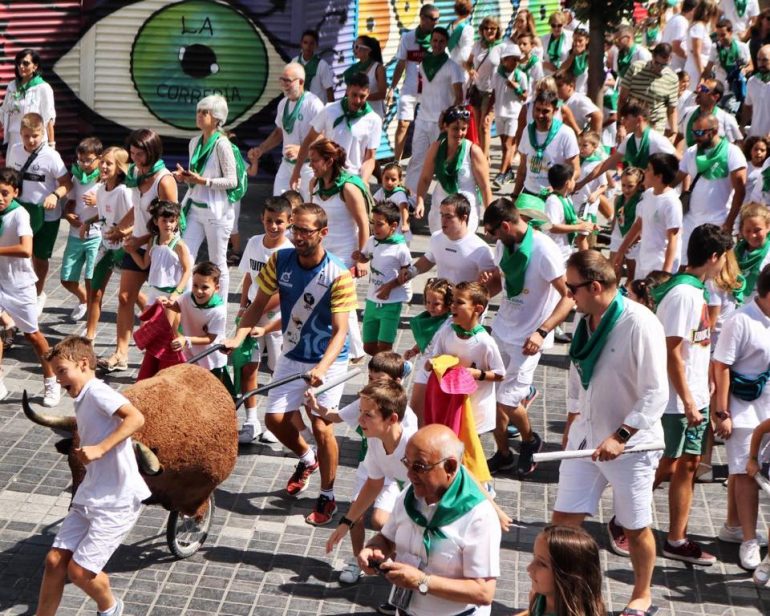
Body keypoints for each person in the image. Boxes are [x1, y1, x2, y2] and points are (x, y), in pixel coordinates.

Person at [223, 203, 356, 526]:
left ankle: (327, 494)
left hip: (328, 361)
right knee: (274, 419)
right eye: (295, 229)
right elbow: (256, 305)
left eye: (305, 230)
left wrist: (323, 369)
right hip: (293, 353)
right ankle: (306, 458)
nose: (297, 236)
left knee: (322, 427)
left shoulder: (339, 275)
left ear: (323, 233)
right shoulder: (279, 260)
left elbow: (340, 332)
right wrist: (238, 337)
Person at [553, 249, 667, 616]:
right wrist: (573, 419)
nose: (568, 296)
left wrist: (621, 435)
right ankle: (575, 598)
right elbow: (577, 371)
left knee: (635, 528)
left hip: (630, 446)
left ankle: (642, 594)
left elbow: (655, 391)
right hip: (585, 441)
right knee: (563, 526)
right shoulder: (585, 319)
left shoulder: (640, 323)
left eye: (572, 289)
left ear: (595, 286)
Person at [34, 336, 151, 616]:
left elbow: (136, 418)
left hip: (117, 501)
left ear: (84, 364)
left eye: (62, 371)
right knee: (54, 561)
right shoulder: (82, 396)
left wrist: (100, 448)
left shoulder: (98, 392)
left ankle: (110, 608)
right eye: (55, 373)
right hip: (92, 493)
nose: (59, 379)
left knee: (79, 572)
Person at [652, 224, 733, 567]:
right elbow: (670, 351)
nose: (724, 266)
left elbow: (694, 345)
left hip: (694, 395)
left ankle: (677, 538)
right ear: (713, 257)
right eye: (723, 258)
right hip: (677, 401)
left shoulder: (696, 290)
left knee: (686, 465)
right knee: (663, 465)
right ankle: (624, 520)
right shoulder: (684, 294)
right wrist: (686, 400)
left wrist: (703, 385)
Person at [357, 424, 500, 616]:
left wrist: (422, 582)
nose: (409, 474)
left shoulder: (479, 516)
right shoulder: (410, 494)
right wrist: (374, 548)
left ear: (449, 466)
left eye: (419, 467)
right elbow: (387, 538)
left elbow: (483, 592)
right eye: (407, 463)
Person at [480, 197, 574, 476]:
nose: (491, 238)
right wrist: (481, 294)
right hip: (502, 329)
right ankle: (504, 453)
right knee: (491, 398)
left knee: (506, 402)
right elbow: (503, 284)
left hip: (528, 339)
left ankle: (530, 440)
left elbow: (569, 297)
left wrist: (542, 331)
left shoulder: (544, 250)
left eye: (493, 232)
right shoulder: (503, 244)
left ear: (506, 226)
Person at [306, 353, 414, 588]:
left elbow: (452, 480)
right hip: (399, 484)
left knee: (389, 525)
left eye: (368, 415)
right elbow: (373, 484)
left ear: (393, 419)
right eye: (361, 413)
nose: (360, 419)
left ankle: (401, 575)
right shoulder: (375, 440)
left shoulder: (414, 445)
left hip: (420, 495)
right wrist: (345, 523)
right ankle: (372, 566)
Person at [98, 129, 176, 373]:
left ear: (151, 152)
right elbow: (137, 207)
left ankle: (171, 354)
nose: (135, 159)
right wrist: (121, 229)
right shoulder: (133, 173)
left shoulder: (165, 179)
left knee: (164, 306)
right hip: (137, 244)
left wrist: (141, 238)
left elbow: (171, 220)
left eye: (139, 154)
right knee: (124, 297)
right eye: (131, 154)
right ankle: (121, 354)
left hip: (161, 248)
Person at [712, 265, 770, 572]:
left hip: (769, 409)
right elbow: (720, 364)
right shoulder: (741, 320)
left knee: (745, 471)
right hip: (744, 408)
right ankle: (749, 539)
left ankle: (733, 526)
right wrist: (723, 412)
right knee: (748, 472)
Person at [0, 167, 59, 406]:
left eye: (4, 193)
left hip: (20, 285)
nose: (0, 198)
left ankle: (51, 382)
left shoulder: (20, 215)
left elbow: (26, 250)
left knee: (33, 336)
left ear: (15, 192)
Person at [236, 196, 293, 444]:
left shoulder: (289, 252)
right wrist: (242, 307)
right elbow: (249, 276)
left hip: (277, 319)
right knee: (249, 366)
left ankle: (275, 419)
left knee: (278, 370)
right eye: (269, 220)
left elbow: (283, 291)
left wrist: (255, 312)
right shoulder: (253, 243)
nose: (273, 226)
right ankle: (251, 420)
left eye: (279, 222)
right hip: (251, 314)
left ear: (289, 222)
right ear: (262, 218)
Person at [308, 138, 371, 362]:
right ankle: (347, 346)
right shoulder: (313, 184)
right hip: (321, 252)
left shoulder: (349, 188)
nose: (310, 165)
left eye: (314, 161)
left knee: (341, 300)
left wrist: (363, 258)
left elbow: (364, 224)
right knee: (332, 301)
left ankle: (354, 351)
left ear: (329, 160)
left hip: (346, 254)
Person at [175, 94, 238, 308]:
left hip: (217, 212)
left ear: (217, 118)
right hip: (194, 208)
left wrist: (204, 181)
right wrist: (186, 178)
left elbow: (232, 180)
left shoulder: (222, 144)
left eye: (205, 113)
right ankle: (183, 306)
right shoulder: (194, 142)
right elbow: (196, 179)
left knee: (218, 261)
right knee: (184, 257)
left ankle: (219, 308)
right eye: (199, 112)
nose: (200, 116)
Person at [5, 112, 70, 314]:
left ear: (42, 133)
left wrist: (55, 196)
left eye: (35, 135)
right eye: (26, 136)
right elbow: (9, 177)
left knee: (40, 258)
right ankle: (17, 294)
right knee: (19, 255)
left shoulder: (51, 156)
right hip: (19, 212)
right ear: (20, 134)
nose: (31, 140)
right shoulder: (15, 150)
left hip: (46, 216)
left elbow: (67, 183)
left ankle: (36, 295)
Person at [428, 281, 505, 438]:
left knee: (468, 452)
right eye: (453, 301)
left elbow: (500, 374)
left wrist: (478, 374)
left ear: (477, 309)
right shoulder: (447, 332)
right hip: (450, 404)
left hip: (475, 408)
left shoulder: (484, 342)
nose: (453, 306)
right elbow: (436, 356)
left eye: (460, 302)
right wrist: (432, 363)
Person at [247, 63, 324, 201]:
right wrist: (261, 149)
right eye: (281, 80)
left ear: (300, 82)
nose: (283, 85)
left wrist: (301, 149)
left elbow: (324, 137)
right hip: (287, 165)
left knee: (308, 210)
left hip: (308, 167)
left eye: (287, 81)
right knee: (279, 205)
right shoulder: (283, 103)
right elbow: (279, 133)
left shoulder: (313, 103)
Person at [291, 72, 382, 188]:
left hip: (353, 179)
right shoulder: (330, 109)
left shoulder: (374, 120)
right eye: (354, 95)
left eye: (362, 96)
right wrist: (296, 171)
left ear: (368, 93)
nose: (357, 100)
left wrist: (363, 181)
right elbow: (309, 139)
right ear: (348, 90)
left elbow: (370, 158)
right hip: (327, 175)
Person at [674, 114, 746, 255]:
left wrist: (730, 222)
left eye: (699, 132)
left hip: (718, 222)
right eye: (693, 132)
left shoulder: (732, 153)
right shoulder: (691, 152)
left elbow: (740, 190)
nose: (695, 137)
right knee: (685, 265)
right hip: (691, 221)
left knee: (714, 268)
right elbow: (675, 180)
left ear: (714, 131)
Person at [405, 29, 465, 195]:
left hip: (442, 124)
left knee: (443, 162)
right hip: (423, 119)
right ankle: (410, 197)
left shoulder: (453, 67)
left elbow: (459, 96)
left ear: (446, 43)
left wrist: (447, 117)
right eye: (435, 40)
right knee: (417, 159)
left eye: (441, 41)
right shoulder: (424, 64)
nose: (437, 44)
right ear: (431, 42)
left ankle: (448, 197)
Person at [82, 147, 133, 341]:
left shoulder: (124, 192)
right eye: (102, 161)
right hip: (106, 245)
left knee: (130, 295)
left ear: (119, 168)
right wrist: (89, 221)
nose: (103, 166)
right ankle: (89, 335)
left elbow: (136, 219)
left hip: (123, 248)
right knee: (95, 290)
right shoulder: (102, 189)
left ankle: (154, 320)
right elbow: (104, 214)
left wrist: (121, 233)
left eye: (109, 163)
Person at [415, 106, 491, 233]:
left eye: (463, 129)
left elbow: (485, 187)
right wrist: (420, 201)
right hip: (440, 211)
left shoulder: (473, 151)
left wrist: (489, 218)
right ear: (445, 126)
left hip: (465, 212)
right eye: (455, 129)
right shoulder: (436, 148)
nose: (460, 133)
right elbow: (425, 179)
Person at [576, 98, 677, 192]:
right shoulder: (629, 139)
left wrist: (666, 189)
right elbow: (605, 165)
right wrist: (581, 183)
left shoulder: (656, 140)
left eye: (626, 118)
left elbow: (681, 163)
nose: (623, 122)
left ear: (639, 120)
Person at [400, 193, 495, 289]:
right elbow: (429, 259)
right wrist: (411, 272)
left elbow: (493, 285)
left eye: (449, 217)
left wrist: (470, 300)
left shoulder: (482, 250)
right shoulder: (436, 237)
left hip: (467, 303)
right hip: (442, 302)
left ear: (464, 218)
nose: (443, 220)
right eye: (442, 215)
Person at [353, 201, 411, 356]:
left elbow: (407, 275)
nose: (374, 228)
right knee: (369, 347)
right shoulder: (372, 241)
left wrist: (389, 287)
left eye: (379, 224)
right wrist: (360, 257)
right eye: (373, 223)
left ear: (393, 226)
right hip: (372, 300)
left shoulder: (401, 249)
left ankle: (389, 374)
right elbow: (366, 257)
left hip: (391, 304)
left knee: (385, 348)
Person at [125, 199, 191, 333]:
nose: (168, 224)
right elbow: (144, 264)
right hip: (154, 292)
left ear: (176, 221)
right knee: (146, 330)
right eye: (164, 221)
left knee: (170, 333)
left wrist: (176, 293)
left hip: (171, 294)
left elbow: (187, 270)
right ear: (156, 221)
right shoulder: (153, 241)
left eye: (172, 221)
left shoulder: (179, 245)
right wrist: (131, 252)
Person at [615, 153, 682, 280]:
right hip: (644, 260)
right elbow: (639, 224)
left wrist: (665, 273)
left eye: (649, 169)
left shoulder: (672, 202)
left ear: (659, 176)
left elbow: (673, 239)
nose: (644, 171)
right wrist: (621, 250)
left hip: (660, 264)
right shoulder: (648, 194)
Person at [159, 261, 228, 386]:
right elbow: (179, 307)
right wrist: (168, 304)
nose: (198, 291)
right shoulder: (187, 297)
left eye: (205, 287)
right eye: (195, 285)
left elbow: (210, 338)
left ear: (216, 288)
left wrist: (186, 340)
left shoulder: (218, 311)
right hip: (191, 355)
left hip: (211, 360)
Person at [387, 4, 441, 163]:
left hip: (430, 90)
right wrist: (392, 88)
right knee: (403, 124)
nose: (435, 22)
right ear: (422, 18)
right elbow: (401, 64)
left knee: (432, 127)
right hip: (410, 89)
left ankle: (431, 162)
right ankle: (396, 162)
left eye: (437, 19)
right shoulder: (408, 37)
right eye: (432, 19)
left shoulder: (438, 40)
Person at [517, 525, 606, 616]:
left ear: (568, 577)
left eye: (542, 564)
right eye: (534, 556)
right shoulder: (539, 597)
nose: (529, 568)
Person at [60, 137, 103, 322]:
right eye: (81, 160)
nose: (84, 164)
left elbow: (114, 207)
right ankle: (83, 298)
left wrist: (98, 201)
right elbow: (70, 201)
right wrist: (68, 214)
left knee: (92, 278)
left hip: (96, 235)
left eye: (88, 160)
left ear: (99, 159)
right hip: (75, 234)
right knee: (66, 278)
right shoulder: (76, 176)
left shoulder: (105, 179)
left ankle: (92, 321)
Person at [512, 89, 580, 200]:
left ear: (555, 111)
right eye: (537, 110)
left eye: (545, 111)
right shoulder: (527, 131)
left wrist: (558, 188)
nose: (540, 115)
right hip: (529, 194)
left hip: (554, 197)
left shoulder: (566, 134)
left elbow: (576, 170)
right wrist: (515, 195)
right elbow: (522, 167)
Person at [404, 277, 453, 426]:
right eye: (428, 302)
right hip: (424, 367)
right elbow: (427, 342)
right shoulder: (426, 320)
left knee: (431, 412)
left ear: (448, 303)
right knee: (416, 410)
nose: (430, 307)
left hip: (439, 372)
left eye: (436, 303)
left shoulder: (449, 323)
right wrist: (414, 350)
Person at [618, 43, 679, 136]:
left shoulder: (672, 78)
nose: (659, 68)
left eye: (664, 65)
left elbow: (672, 109)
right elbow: (622, 99)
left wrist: (674, 132)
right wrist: (620, 125)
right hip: (632, 123)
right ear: (652, 57)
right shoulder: (636, 68)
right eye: (657, 63)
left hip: (656, 126)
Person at [1, 49, 55, 152]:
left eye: (25, 63)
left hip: (35, 141)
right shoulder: (12, 86)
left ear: (35, 66)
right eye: (18, 63)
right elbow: (4, 112)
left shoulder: (43, 88)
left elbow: (49, 118)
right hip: (15, 140)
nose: (21, 66)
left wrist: (52, 145)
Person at [492, 43, 528, 188]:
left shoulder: (521, 76)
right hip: (499, 112)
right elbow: (494, 93)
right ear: (504, 60)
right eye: (511, 59)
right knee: (503, 145)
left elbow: (525, 96)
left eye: (517, 59)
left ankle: (501, 175)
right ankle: (508, 172)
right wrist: (489, 111)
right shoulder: (497, 74)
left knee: (508, 144)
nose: (514, 62)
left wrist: (517, 88)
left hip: (514, 113)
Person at [466, 16, 503, 158]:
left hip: (491, 91)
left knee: (485, 125)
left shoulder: (501, 47)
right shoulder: (477, 45)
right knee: (477, 125)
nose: (489, 31)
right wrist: (470, 69)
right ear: (482, 30)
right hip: (476, 89)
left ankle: (484, 159)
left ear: (497, 30)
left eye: (492, 28)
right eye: (486, 28)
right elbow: (468, 62)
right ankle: (483, 154)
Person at [544, 163, 596, 260]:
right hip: (555, 252)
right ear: (567, 183)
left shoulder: (566, 198)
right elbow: (552, 227)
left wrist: (587, 224)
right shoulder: (553, 201)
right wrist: (578, 227)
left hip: (565, 250)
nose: (575, 182)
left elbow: (573, 218)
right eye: (573, 179)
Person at [676, 79, 743, 152]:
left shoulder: (727, 119)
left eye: (704, 89)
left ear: (715, 97)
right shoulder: (687, 112)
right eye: (700, 87)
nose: (699, 91)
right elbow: (680, 136)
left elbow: (736, 146)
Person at [703, 18, 752, 108]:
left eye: (723, 35)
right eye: (717, 35)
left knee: (730, 113)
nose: (720, 38)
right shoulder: (715, 48)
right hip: (719, 89)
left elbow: (751, 65)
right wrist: (703, 86)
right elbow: (708, 69)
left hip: (734, 89)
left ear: (730, 32)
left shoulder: (742, 47)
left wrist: (744, 70)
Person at [610, 166, 646, 282]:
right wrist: (612, 234)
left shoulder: (641, 201)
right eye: (623, 185)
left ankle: (628, 295)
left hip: (634, 241)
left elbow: (641, 225)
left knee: (632, 274)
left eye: (630, 186)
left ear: (639, 185)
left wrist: (630, 243)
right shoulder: (618, 199)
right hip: (618, 236)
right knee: (613, 271)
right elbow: (615, 219)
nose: (626, 189)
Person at [344, 36, 387, 118]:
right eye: (353, 46)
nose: (354, 50)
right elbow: (348, 92)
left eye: (357, 47)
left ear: (368, 50)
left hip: (374, 114)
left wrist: (360, 97)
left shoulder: (378, 68)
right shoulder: (353, 69)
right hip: (357, 114)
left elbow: (382, 94)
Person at [292, 29, 335, 104]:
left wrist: (331, 112)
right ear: (301, 44)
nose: (308, 46)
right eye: (305, 43)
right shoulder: (294, 62)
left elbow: (329, 90)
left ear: (316, 45)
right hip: (298, 106)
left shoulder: (322, 65)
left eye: (311, 43)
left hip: (316, 108)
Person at [372, 162, 412, 243]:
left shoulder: (399, 194)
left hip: (400, 233)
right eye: (386, 178)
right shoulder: (382, 191)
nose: (389, 182)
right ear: (382, 176)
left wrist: (405, 224)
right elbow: (373, 203)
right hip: (387, 231)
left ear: (399, 180)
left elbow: (404, 209)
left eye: (393, 180)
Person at [684, 0, 719, 88]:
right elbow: (696, 53)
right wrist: (703, 75)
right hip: (696, 71)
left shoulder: (699, 26)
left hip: (697, 69)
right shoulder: (698, 27)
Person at [743, 44, 770, 138]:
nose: (760, 63)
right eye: (758, 59)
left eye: (765, 60)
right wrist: (742, 127)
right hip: (755, 138)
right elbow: (747, 107)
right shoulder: (752, 81)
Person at [661, 0, 696, 73]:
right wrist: (690, 59)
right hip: (674, 68)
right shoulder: (682, 22)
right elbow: (675, 47)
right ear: (693, 10)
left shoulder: (676, 17)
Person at [560, 27, 590, 95]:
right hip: (568, 93)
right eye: (575, 40)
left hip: (583, 93)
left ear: (587, 41)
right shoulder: (568, 53)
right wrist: (573, 55)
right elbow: (561, 70)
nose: (577, 43)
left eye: (580, 41)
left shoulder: (589, 56)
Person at [446, 0, 474, 67]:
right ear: (469, 11)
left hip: (449, 62)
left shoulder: (450, 25)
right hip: (460, 65)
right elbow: (467, 49)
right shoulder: (468, 28)